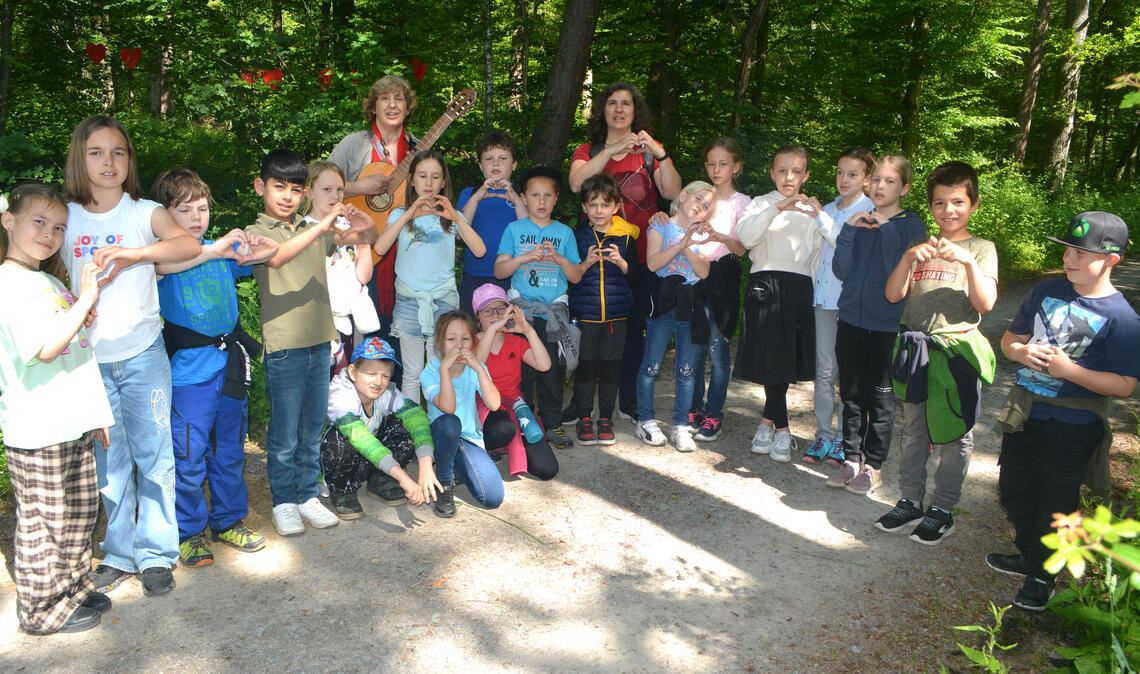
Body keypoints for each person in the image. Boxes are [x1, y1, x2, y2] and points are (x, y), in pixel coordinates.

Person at [63, 116, 201, 597]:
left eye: (118, 152)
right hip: (89, 363)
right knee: (111, 462)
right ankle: (119, 552)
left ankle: (157, 553)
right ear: (79, 159)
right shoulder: (66, 215)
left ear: (129, 160)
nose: (108, 162)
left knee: (155, 457)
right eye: (96, 152)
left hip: (144, 356)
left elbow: (188, 242)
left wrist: (135, 254)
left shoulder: (144, 212)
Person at [988, 212, 1138, 611]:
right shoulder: (1047, 290)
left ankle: (1043, 575)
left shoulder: (1122, 318)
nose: (1070, 258)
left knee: (1056, 500)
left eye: (1081, 252)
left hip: (1074, 423)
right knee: (1015, 491)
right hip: (1026, 413)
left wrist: (1070, 371)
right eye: (1068, 249)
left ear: (1110, 260)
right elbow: (1010, 340)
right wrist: (1021, 351)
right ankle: (1030, 554)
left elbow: (1125, 384)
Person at [245, 149, 378, 537]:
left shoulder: (309, 227)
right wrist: (320, 228)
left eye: (294, 189)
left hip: (322, 342)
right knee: (285, 433)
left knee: (311, 427)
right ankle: (283, 501)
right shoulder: (258, 232)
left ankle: (306, 495)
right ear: (261, 188)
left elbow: (364, 237)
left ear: (303, 194)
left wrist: (360, 219)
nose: (287, 195)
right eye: (278, 187)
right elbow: (276, 258)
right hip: (285, 346)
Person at [1, 184, 114, 634]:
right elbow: (46, 349)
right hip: (38, 426)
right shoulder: (8, 285)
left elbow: (77, 349)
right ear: (9, 221)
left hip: (74, 421)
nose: (49, 234)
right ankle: (40, 608)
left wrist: (98, 413)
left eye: (59, 227)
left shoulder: (46, 281)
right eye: (39, 222)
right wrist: (85, 298)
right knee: (43, 522)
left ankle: (72, 585)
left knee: (80, 511)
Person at [152, 169, 277, 568]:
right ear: (163, 216)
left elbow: (269, 253)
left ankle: (227, 520)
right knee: (188, 455)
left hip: (229, 366)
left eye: (202, 208)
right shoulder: (159, 255)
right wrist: (210, 248)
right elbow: (157, 270)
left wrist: (250, 240)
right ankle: (188, 531)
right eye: (183, 210)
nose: (195, 217)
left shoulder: (219, 249)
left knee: (228, 451)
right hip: (188, 373)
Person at [875, 161, 998, 545]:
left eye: (958, 202)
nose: (949, 211)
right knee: (913, 431)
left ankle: (943, 508)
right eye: (940, 203)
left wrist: (966, 263)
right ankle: (911, 499)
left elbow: (986, 303)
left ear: (974, 204)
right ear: (931, 206)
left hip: (956, 352)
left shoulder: (981, 249)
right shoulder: (922, 249)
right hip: (916, 350)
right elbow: (893, 294)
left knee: (955, 435)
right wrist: (910, 258)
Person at [569, 82, 682, 422]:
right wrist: (611, 150)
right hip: (595, 252)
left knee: (633, 328)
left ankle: (628, 399)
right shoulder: (588, 149)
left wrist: (659, 152)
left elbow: (673, 192)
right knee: (589, 327)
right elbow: (576, 184)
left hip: (642, 253)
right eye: (612, 103)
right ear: (603, 109)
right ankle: (582, 403)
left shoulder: (647, 152)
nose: (619, 110)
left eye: (626, 104)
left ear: (636, 111)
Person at [828, 155, 928, 495]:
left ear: (904, 187)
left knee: (880, 398)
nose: (880, 187)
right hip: (850, 319)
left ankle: (874, 465)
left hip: (886, 325)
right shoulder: (860, 220)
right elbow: (841, 271)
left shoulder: (911, 226)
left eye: (889, 181)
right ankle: (850, 458)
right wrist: (848, 231)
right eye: (877, 180)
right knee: (851, 394)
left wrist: (884, 228)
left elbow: (894, 271)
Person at [735, 145, 839, 463]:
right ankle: (782, 429)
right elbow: (746, 237)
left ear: (806, 175)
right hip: (765, 283)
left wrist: (818, 214)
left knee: (785, 359)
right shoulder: (760, 204)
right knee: (770, 357)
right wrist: (777, 208)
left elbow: (832, 245)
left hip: (798, 287)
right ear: (772, 173)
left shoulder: (814, 211)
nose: (788, 177)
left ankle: (769, 423)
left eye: (796, 171)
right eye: (782, 170)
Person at [372, 149, 485, 403]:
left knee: (439, 368)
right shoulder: (400, 215)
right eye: (422, 176)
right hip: (409, 301)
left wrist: (455, 216)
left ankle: (440, 421)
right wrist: (409, 214)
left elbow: (480, 250)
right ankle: (414, 430)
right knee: (412, 372)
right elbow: (379, 249)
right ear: (411, 180)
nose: (429, 183)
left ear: (444, 182)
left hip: (443, 301)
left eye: (436, 177)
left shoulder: (450, 218)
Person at [494, 165, 583, 449]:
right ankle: (525, 419)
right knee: (523, 369)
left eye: (547, 195)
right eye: (534, 195)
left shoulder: (565, 233)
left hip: (555, 313)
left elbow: (576, 276)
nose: (541, 201)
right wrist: (525, 257)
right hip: (522, 312)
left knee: (552, 370)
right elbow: (499, 270)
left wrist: (559, 260)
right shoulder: (515, 229)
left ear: (556, 199)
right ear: (524, 197)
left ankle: (553, 422)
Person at [327, 74, 419, 344]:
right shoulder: (355, 144)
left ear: (408, 106)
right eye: (385, 98)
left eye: (399, 98)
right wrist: (358, 187)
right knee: (358, 325)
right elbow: (318, 184)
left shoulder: (416, 148)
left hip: (405, 249)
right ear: (374, 106)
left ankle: (397, 383)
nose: (392, 105)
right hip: (358, 248)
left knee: (401, 331)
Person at [804, 147, 875, 465]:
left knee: (849, 373)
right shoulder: (830, 207)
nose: (843, 179)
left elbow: (847, 248)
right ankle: (823, 434)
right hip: (823, 299)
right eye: (839, 172)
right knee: (824, 370)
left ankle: (847, 439)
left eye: (852, 174)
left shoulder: (870, 211)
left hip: (850, 303)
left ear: (866, 179)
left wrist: (819, 217)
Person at [320, 337, 440, 519]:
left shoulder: (388, 392)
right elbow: (360, 438)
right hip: (334, 465)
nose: (378, 382)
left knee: (406, 423)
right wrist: (404, 479)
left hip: (364, 460)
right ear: (353, 372)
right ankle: (343, 490)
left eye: (385, 375)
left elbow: (416, 415)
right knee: (339, 436)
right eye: (371, 373)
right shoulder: (340, 394)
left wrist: (425, 464)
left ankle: (380, 479)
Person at [635, 181, 715, 453]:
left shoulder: (703, 234)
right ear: (682, 196)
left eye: (706, 207)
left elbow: (704, 272)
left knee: (687, 369)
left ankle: (680, 424)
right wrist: (681, 243)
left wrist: (690, 245)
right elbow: (653, 263)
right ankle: (645, 419)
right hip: (663, 302)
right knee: (651, 365)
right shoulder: (660, 225)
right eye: (698, 199)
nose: (700, 207)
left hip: (690, 304)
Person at [567, 174, 640, 445]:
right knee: (586, 369)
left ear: (616, 207)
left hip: (616, 317)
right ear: (584, 208)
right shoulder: (576, 237)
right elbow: (570, 276)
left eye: (605, 205)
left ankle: (605, 417)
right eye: (593, 205)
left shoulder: (626, 237)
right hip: (585, 316)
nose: (599, 211)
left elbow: (637, 278)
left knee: (610, 370)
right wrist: (586, 262)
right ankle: (584, 417)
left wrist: (622, 264)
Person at [688, 138, 748, 442]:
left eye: (723, 163)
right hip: (694, 276)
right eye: (711, 163)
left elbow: (743, 248)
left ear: (736, 167)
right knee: (696, 346)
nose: (716, 169)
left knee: (718, 348)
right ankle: (693, 408)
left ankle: (714, 413)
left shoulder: (742, 202)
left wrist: (720, 235)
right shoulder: (698, 195)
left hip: (723, 277)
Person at [421, 311, 505, 518]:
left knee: (492, 498)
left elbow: (494, 404)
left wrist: (479, 368)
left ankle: (457, 467)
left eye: (465, 339)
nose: (459, 346)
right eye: (451, 339)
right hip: (442, 433)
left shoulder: (476, 369)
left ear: (474, 343)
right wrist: (444, 370)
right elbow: (448, 408)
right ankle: (445, 482)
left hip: (469, 439)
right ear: (440, 343)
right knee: (451, 423)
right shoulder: (429, 372)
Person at [472, 284, 560, 478]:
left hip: (515, 408)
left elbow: (544, 365)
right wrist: (493, 329)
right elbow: (476, 363)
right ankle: (476, 448)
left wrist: (528, 331)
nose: (495, 315)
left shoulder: (516, 341)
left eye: (500, 309)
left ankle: (507, 447)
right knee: (505, 429)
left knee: (547, 469)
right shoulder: (471, 341)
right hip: (485, 409)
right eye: (488, 311)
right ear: (477, 315)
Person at [305, 161, 379, 375]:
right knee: (324, 380)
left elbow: (364, 276)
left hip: (352, 318)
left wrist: (364, 241)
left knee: (350, 379)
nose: (335, 196)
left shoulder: (348, 226)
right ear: (308, 192)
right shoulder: (305, 228)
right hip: (322, 319)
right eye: (326, 190)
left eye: (339, 190)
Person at [457, 130, 528, 312]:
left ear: (514, 164)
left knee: (508, 327)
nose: (496, 163)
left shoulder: (522, 195)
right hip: (474, 274)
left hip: (511, 275)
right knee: (472, 327)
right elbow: (459, 232)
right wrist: (476, 198)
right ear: (481, 166)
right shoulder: (470, 193)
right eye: (489, 159)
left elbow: (528, 232)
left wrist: (517, 200)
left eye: (503, 158)